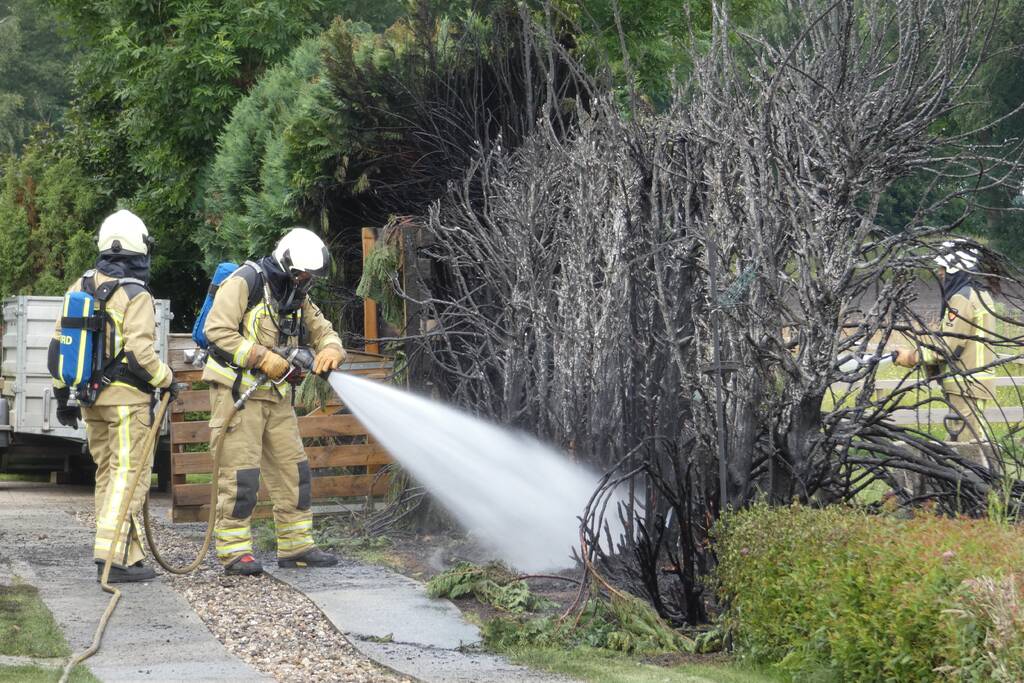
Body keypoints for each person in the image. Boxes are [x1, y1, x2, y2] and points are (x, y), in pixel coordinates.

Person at [202, 227, 346, 575]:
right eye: (303, 273)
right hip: (239, 394)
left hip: (276, 397)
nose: (307, 280)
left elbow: (323, 329)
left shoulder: (296, 295)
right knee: (241, 475)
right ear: (286, 263)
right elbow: (216, 330)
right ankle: (235, 551)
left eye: (311, 275)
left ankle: (297, 546)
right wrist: (261, 357)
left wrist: (330, 348)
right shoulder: (245, 282)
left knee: (294, 470)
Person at [48, 209, 173, 582]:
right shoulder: (136, 294)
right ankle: (112, 559)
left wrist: (61, 397)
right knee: (128, 477)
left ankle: (126, 555)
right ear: (140, 249)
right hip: (126, 403)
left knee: (108, 475)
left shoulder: (79, 286)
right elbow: (140, 353)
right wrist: (167, 379)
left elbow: (59, 347)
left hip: (90, 400)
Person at [894, 240, 997, 452]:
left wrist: (911, 357)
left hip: (966, 384)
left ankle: (976, 484)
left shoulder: (961, 299)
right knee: (976, 441)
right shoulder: (981, 294)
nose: (939, 272)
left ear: (953, 268)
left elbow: (947, 347)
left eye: (942, 267)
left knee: (968, 448)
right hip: (974, 383)